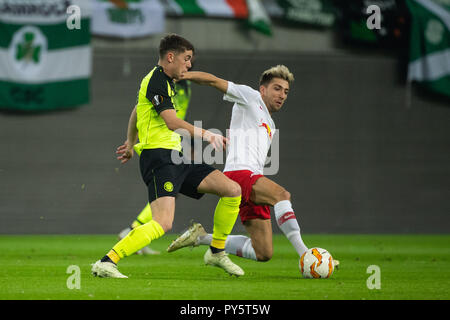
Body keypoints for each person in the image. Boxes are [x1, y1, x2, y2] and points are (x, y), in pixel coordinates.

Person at [91, 34, 244, 278]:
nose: (189, 65)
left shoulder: (165, 82)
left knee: (232, 190)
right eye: (187, 58)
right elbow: (172, 122)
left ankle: (216, 252)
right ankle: (107, 261)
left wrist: (130, 142)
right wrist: (207, 135)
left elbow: (137, 109)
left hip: (177, 155)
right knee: (163, 223)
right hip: (159, 157)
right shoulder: (157, 80)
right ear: (170, 57)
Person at [166, 65, 339, 268]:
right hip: (239, 174)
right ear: (263, 89)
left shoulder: (270, 124)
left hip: (252, 177)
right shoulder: (250, 97)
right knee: (282, 195)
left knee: (263, 252)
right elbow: (213, 81)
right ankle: (307, 256)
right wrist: (183, 75)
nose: (282, 95)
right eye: (277, 88)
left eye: (286, 91)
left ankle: (201, 238)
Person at [117, 80, 192, 255]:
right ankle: (133, 230)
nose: (188, 64)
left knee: (170, 191)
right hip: (161, 145)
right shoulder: (166, 80)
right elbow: (140, 108)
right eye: (186, 58)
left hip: (174, 141)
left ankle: (135, 231)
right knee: (167, 194)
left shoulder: (182, 82)